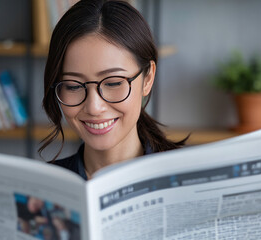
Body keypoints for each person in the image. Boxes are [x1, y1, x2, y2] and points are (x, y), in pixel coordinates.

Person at [40, 0, 187, 180]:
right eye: (74, 86)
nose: (94, 107)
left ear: (147, 78)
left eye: (113, 83)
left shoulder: (185, 181)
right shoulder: (42, 187)